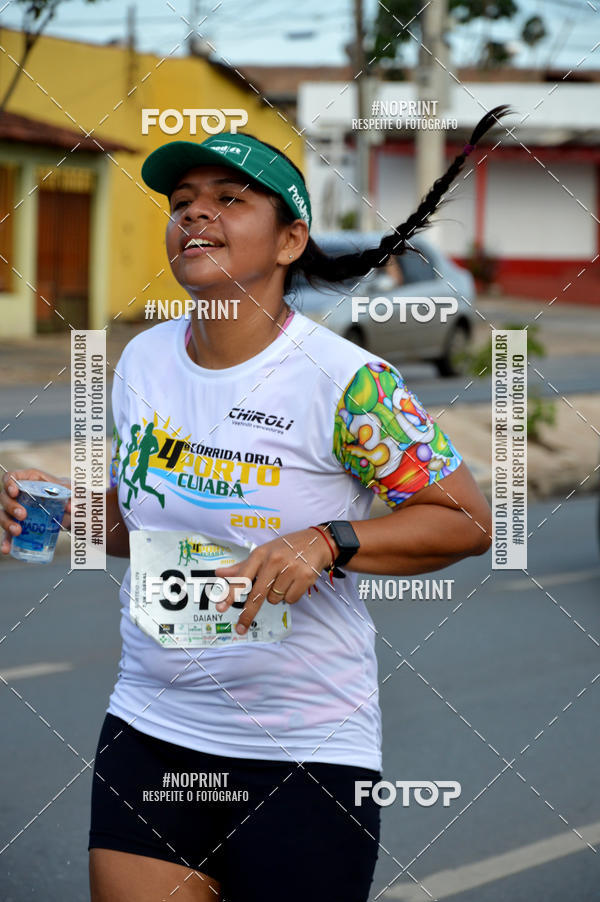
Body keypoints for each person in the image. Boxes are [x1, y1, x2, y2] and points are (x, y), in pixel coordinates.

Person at [0, 106, 509, 902]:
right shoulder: (142, 362)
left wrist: (327, 540)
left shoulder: (346, 382)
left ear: (289, 241)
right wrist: (61, 512)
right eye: (182, 202)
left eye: (230, 198)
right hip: (151, 728)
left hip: (304, 749)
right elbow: (147, 522)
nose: (195, 212)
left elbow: (468, 521)